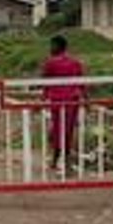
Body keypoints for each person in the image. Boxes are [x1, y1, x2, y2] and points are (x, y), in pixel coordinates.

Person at [40, 35, 85, 171]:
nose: (50, 48)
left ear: (59, 46)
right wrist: (85, 98)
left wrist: (42, 99)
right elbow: (81, 83)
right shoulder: (76, 62)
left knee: (59, 129)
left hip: (58, 100)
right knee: (68, 130)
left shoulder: (51, 63)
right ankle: (63, 160)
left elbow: (45, 83)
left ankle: (59, 159)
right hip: (73, 100)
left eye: (52, 45)